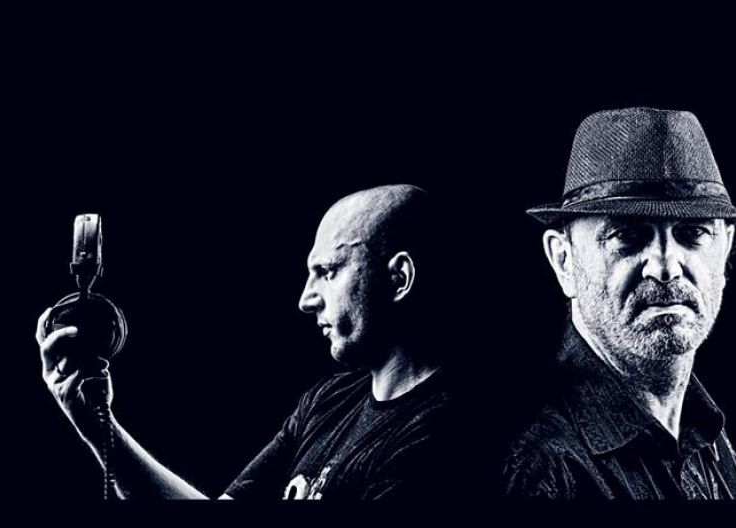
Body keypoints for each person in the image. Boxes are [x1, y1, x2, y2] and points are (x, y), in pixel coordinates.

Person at [38, 184, 455, 499]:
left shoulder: (441, 438)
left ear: (398, 278)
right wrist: (99, 427)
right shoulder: (326, 403)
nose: (306, 300)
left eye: (328, 272)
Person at [504, 107, 736, 499]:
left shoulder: (705, 433)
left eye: (693, 233)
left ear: (725, 249)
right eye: (627, 236)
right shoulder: (542, 468)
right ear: (564, 261)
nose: (666, 267)